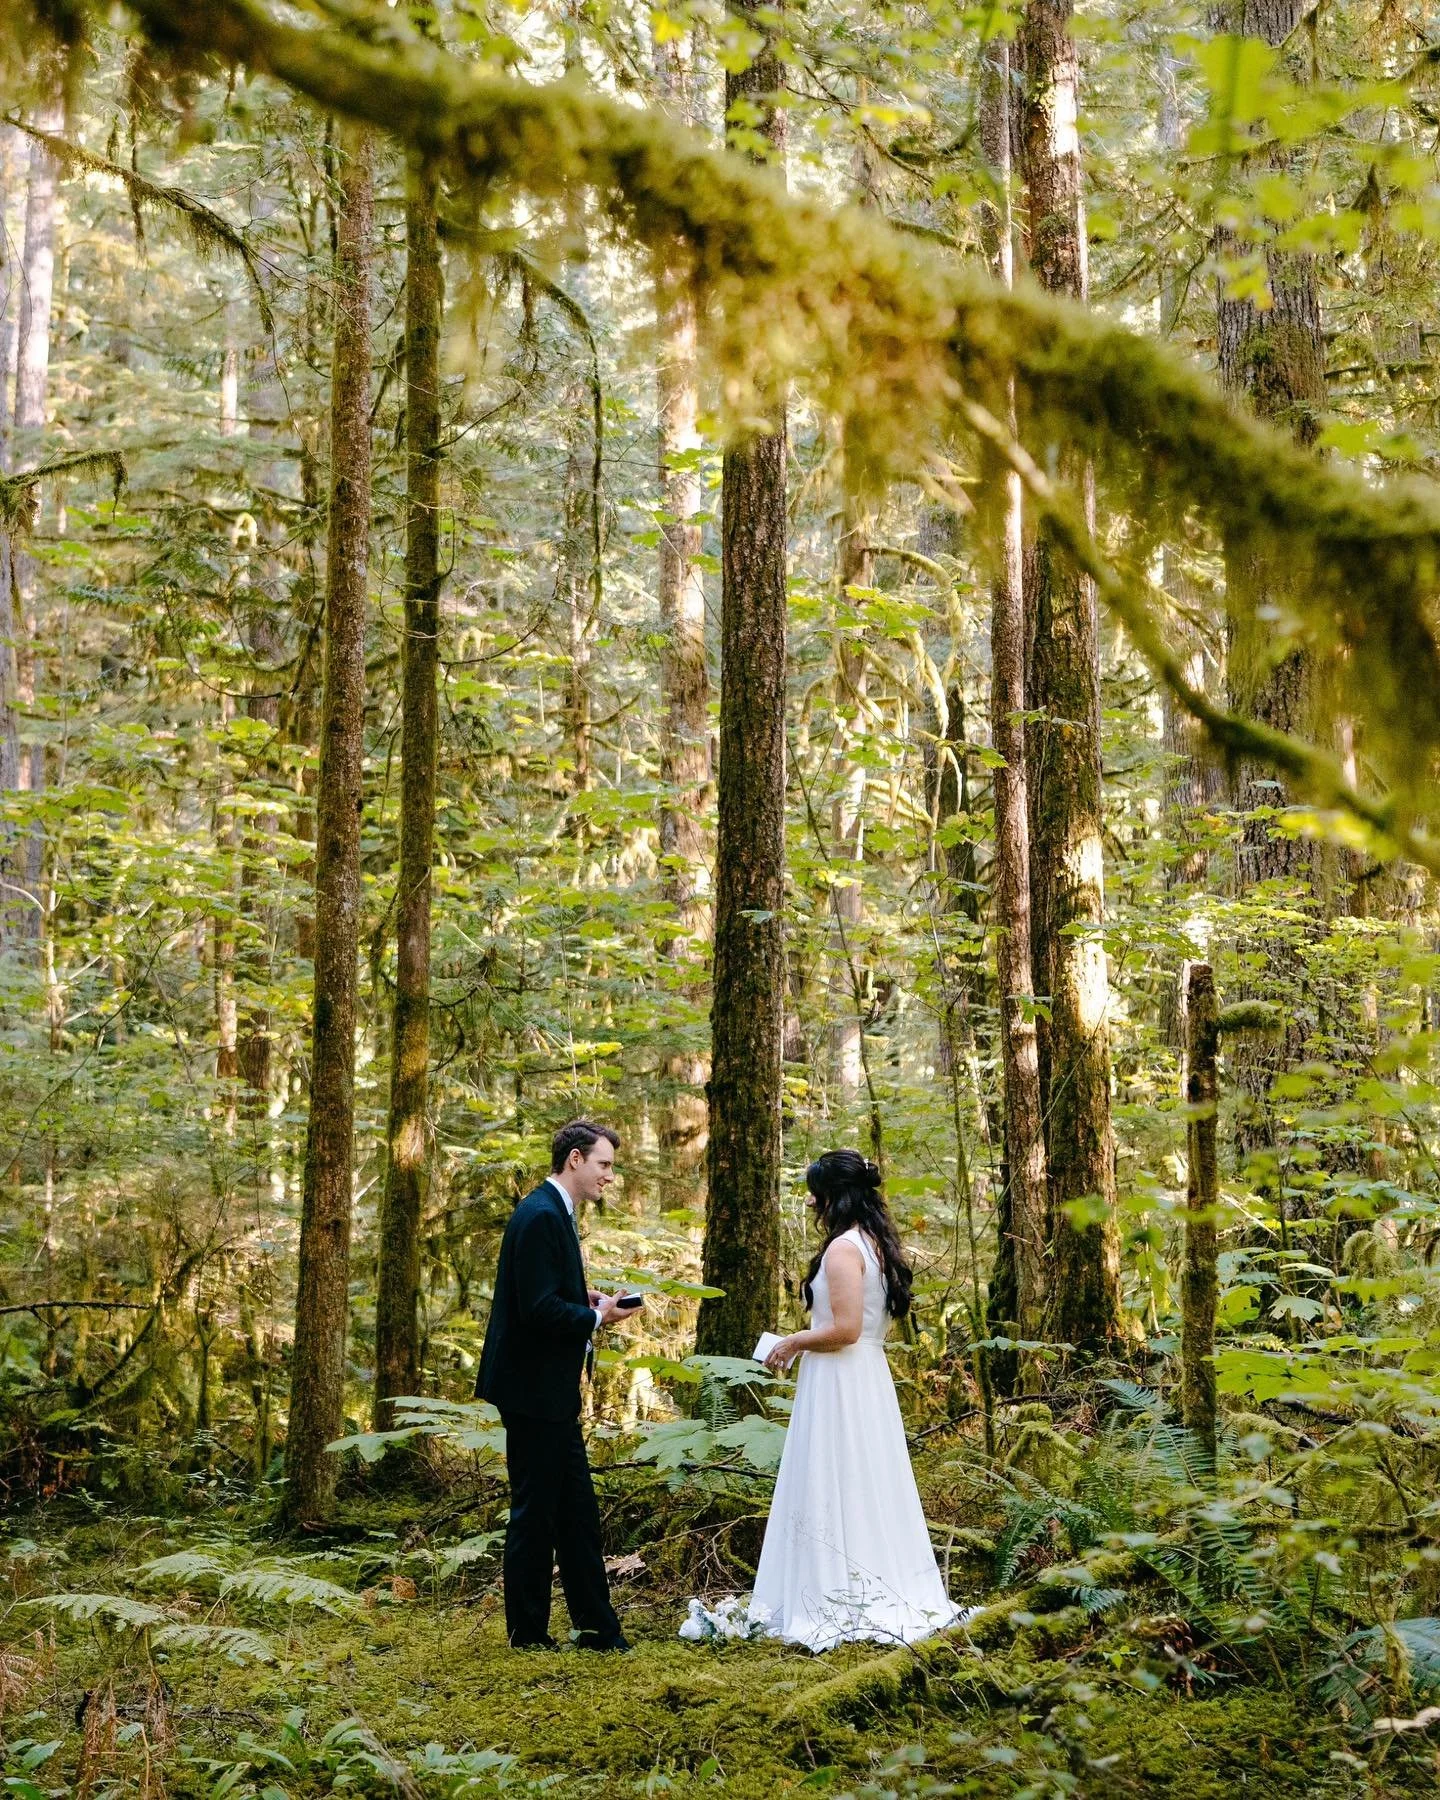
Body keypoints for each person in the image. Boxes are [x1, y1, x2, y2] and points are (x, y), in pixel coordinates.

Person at [750, 1149, 962, 1650]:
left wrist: (792, 1341)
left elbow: (844, 1330)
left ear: (832, 1196)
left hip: (843, 1378)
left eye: (814, 1193)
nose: (811, 1202)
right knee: (860, 1480)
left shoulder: (845, 1250)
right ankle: (853, 1581)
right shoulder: (875, 1244)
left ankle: (833, 1594)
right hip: (861, 1377)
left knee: (837, 1476)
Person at [477, 1119, 642, 1651]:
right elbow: (538, 1308)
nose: (609, 1177)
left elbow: (547, 1290)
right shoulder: (541, 1214)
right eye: (604, 1165)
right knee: (535, 1513)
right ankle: (528, 1634)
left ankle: (597, 1628)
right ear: (575, 1160)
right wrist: (599, 1319)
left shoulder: (552, 1213)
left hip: (546, 1392)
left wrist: (586, 1297)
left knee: (576, 1513)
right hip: (532, 1389)